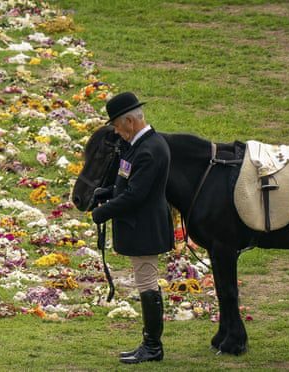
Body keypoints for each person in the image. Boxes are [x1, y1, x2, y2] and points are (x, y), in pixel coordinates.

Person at [91, 92, 174, 364]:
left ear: (129, 121)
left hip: (146, 226)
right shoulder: (140, 145)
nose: (116, 131)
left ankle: (152, 346)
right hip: (141, 224)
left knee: (147, 283)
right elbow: (127, 182)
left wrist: (103, 212)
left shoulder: (149, 149)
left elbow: (136, 195)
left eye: (116, 125)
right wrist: (106, 192)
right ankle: (150, 344)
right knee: (144, 282)